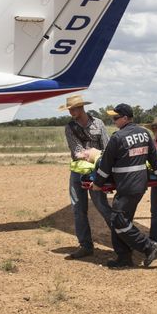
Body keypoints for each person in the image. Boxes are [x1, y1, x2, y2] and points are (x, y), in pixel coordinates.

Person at [90, 104, 157, 268]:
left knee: (117, 219)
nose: (114, 121)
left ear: (125, 118)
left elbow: (105, 166)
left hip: (126, 186)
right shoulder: (144, 134)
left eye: (116, 118)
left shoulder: (118, 137)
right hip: (140, 184)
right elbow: (154, 160)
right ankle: (124, 257)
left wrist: (97, 184)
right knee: (124, 221)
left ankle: (148, 246)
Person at [60, 94, 113, 259]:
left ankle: (122, 239)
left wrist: (92, 155)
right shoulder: (70, 128)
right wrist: (94, 154)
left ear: (81, 107)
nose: (71, 112)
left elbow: (108, 148)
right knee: (78, 208)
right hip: (78, 172)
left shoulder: (98, 123)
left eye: (73, 108)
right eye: (69, 109)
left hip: (96, 173)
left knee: (102, 206)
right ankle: (85, 245)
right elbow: (77, 153)